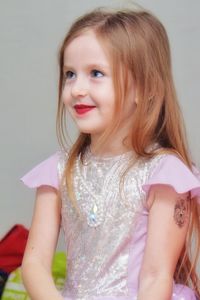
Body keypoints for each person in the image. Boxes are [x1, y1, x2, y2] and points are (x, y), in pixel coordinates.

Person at [20, 6, 200, 300]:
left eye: (95, 73)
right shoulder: (56, 171)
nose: (77, 88)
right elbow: (34, 265)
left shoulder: (164, 174)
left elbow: (156, 277)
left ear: (144, 88)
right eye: (70, 74)